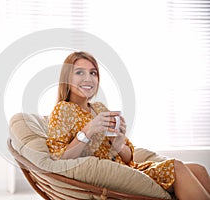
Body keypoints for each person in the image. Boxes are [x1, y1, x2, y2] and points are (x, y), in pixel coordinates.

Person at [46, 51, 210, 200]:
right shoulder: (63, 109)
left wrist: (118, 143)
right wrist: (88, 130)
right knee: (176, 166)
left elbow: (128, 157)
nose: (88, 78)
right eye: (79, 72)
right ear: (67, 78)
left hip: (127, 169)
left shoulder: (99, 108)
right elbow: (58, 158)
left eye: (93, 73)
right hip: (112, 178)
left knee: (199, 170)